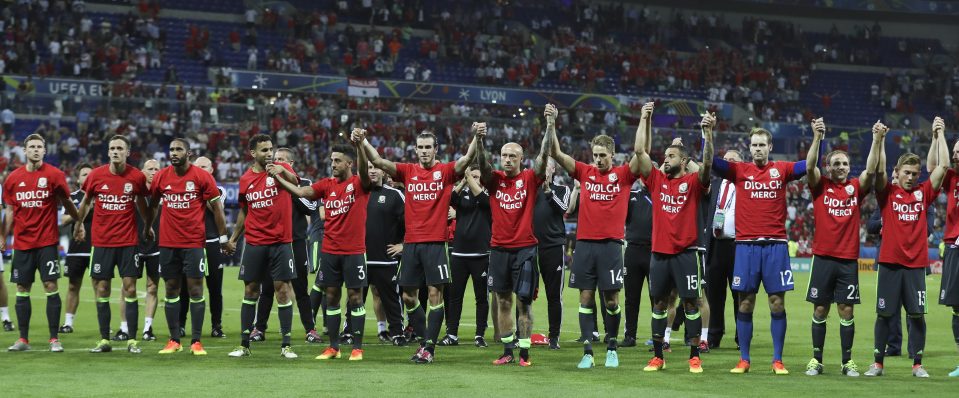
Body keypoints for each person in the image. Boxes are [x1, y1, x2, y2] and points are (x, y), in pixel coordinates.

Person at [358, 125, 483, 364]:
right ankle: (426, 340)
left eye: (428, 147)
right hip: (412, 244)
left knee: (436, 294)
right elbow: (377, 160)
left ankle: (428, 348)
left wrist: (476, 136)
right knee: (407, 297)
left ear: (436, 149)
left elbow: (468, 158)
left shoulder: (445, 172)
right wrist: (363, 141)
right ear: (415, 149)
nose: (424, 151)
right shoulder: (407, 171)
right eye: (420, 147)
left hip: (436, 243)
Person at [547, 103, 640, 369]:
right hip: (585, 245)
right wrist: (552, 123)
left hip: (611, 246)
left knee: (611, 300)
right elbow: (555, 151)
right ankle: (588, 350)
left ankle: (612, 346)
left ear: (612, 154)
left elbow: (640, 152)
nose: (598, 159)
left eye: (602, 155)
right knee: (585, 298)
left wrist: (644, 119)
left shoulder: (623, 176)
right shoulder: (584, 172)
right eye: (595, 155)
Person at [712, 127, 807, 374]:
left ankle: (777, 360)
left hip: (775, 245)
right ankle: (744, 359)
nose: (757, 149)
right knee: (745, 304)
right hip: (746, 246)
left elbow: (809, 164)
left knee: (777, 303)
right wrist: (708, 134)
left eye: (761, 145)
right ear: (749, 148)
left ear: (769, 147)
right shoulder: (739, 171)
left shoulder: (782, 169)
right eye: (754, 145)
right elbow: (710, 162)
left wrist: (817, 138)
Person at [274, 132, 371, 361]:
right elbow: (300, 192)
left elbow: (365, 169)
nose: (333, 164)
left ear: (349, 163)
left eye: (337, 160)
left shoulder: (359, 184)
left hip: (354, 252)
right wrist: (279, 177)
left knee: (355, 297)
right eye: (331, 160)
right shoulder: (326, 185)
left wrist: (359, 146)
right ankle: (334, 347)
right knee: (332, 297)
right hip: (330, 251)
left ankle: (357, 347)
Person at [865, 117, 948, 378]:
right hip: (890, 263)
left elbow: (943, 165)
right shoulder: (887, 193)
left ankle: (917, 364)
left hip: (915, 265)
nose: (911, 177)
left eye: (915, 173)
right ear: (898, 172)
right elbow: (876, 171)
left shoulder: (924, 193)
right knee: (884, 315)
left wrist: (940, 133)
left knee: (917, 316)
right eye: (907, 173)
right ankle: (878, 363)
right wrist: (878, 140)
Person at [634, 104, 715, 373]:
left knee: (691, 303)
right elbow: (640, 152)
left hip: (687, 253)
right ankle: (658, 356)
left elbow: (707, 165)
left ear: (682, 161)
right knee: (659, 303)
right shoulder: (656, 180)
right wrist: (645, 119)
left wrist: (708, 134)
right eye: (665, 155)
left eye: (670, 156)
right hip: (659, 253)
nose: (664, 159)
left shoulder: (693, 183)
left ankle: (694, 356)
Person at [803, 119, 881, 376]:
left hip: (847, 259)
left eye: (845, 163)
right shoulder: (820, 186)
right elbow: (810, 165)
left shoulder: (855, 188)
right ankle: (816, 360)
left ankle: (847, 362)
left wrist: (876, 139)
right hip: (823, 258)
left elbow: (870, 171)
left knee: (846, 310)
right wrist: (817, 137)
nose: (841, 167)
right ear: (828, 167)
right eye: (836, 163)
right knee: (820, 309)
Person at [145, 138, 229, 355]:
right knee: (171, 289)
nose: (174, 152)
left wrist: (223, 237)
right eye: (171, 149)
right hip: (168, 243)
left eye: (178, 149)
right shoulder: (162, 176)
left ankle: (196, 341)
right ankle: (174, 340)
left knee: (195, 289)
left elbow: (217, 207)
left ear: (188, 153)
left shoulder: (202, 177)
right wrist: (148, 227)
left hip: (193, 243)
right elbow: (153, 205)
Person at [478, 114, 549, 367]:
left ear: (521, 159)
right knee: (503, 301)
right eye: (504, 156)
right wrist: (479, 140)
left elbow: (543, 160)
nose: (507, 160)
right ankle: (508, 350)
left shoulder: (530, 178)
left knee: (524, 302)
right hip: (498, 250)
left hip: (525, 250)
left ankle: (525, 352)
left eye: (512, 156)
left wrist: (549, 126)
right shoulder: (494, 179)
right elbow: (482, 165)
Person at [226, 134, 302, 359]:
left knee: (283, 290)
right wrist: (233, 238)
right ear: (253, 153)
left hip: (280, 242)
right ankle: (244, 344)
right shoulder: (245, 179)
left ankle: (286, 345)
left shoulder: (281, 168)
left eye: (270, 149)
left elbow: (296, 182)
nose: (269, 153)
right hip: (255, 242)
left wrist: (281, 172)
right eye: (264, 150)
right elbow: (244, 211)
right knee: (250, 291)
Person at [3, 133, 80, 352]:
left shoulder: (55, 175)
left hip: (47, 242)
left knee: (51, 286)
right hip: (22, 243)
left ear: (45, 151)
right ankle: (23, 339)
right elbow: (9, 211)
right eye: (32, 146)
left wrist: (79, 222)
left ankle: (54, 339)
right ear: (24, 151)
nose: (36, 150)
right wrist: (2, 236)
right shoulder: (13, 179)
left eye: (40, 147)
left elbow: (67, 202)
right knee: (22, 287)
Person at [73, 135, 150, 354]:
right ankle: (104, 339)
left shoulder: (136, 177)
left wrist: (148, 225)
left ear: (128, 152)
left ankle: (132, 340)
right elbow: (86, 202)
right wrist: (79, 223)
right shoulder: (96, 176)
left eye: (119, 148)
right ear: (108, 152)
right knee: (102, 289)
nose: (115, 151)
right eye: (112, 148)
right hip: (102, 242)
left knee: (131, 288)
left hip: (127, 242)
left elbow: (143, 203)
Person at [250, 148, 320, 343]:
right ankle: (259, 329)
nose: (277, 162)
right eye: (275, 159)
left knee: (300, 287)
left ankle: (310, 329)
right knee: (267, 288)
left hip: (295, 241)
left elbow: (311, 207)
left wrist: (289, 187)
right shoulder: (265, 181)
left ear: (291, 164)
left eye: (281, 160)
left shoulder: (304, 184)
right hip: (272, 242)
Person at [441, 165, 491, 349]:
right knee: (454, 297)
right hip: (459, 254)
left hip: (481, 254)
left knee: (481, 298)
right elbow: (448, 199)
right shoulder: (462, 195)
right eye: (473, 176)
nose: (474, 180)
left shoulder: (489, 196)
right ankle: (451, 334)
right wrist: (463, 181)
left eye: (478, 177)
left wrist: (468, 177)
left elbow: (484, 204)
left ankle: (479, 335)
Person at [176, 156, 226, 339]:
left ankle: (216, 326)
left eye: (204, 167)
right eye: (198, 167)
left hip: (212, 244)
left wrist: (202, 191)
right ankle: (181, 325)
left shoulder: (220, 190)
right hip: (190, 243)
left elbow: (216, 208)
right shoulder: (185, 188)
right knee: (184, 287)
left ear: (212, 170)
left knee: (215, 288)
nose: (201, 170)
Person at [362, 162, 406, 346]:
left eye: (375, 167)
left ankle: (397, 333)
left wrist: (403, 245)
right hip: (360, 257)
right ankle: (349, 331)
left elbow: (411, 221)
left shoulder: (394, 195)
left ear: (383, 171)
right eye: (368, 167)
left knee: (391, 298)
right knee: (354, 297)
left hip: (385, 259)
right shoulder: (357, 192)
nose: (372, 171)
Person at [704, 150, 742, 349]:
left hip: (738, 246)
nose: (728, 163)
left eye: (733, 161)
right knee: (714, 295)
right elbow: (700, 168)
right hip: (716, 246)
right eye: (726, 160)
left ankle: (741, 336)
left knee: (739, 294)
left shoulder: (745, 185)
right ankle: (714, 335)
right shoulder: (715, 184)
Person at [929, 124, 959, 377]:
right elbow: (932, 167)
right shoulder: (952, 179)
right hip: (954, 246)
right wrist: (937, 136)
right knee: (957, 307)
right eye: (955, 152)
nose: (957, 155)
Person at [533, 158, 572, 349]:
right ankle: (520, 335)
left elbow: (563, 208)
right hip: (529, 246)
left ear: (553, 169)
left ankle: (554, 336)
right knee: (524, 294)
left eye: (545, 165)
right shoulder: (528, 190)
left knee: (553, 295)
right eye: (538, 165)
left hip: (553, 247)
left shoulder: (562, 190)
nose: (541, 169)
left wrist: (548, 191)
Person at [59, 164, 93, 334]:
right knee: (73, 286)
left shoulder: (102, 197)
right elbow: (63, 219)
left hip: (97, 249)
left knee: (101, 287)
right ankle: (68, 323)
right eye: (84, 174)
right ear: (78, 179)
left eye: (90, 174)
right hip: (76, 249)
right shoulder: (71, 197)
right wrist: (80, 212)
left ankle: (105, 325)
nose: (87, 177)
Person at [135, 159, 162, 341]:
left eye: (156, 169)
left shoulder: (163, 192)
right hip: (134, 245)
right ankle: (126, 327)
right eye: (150, 169)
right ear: (142, 171)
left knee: (152, 287)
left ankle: (147, 328)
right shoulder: (134, 192)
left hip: (157, 246)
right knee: (127, 287)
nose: (153, 171)